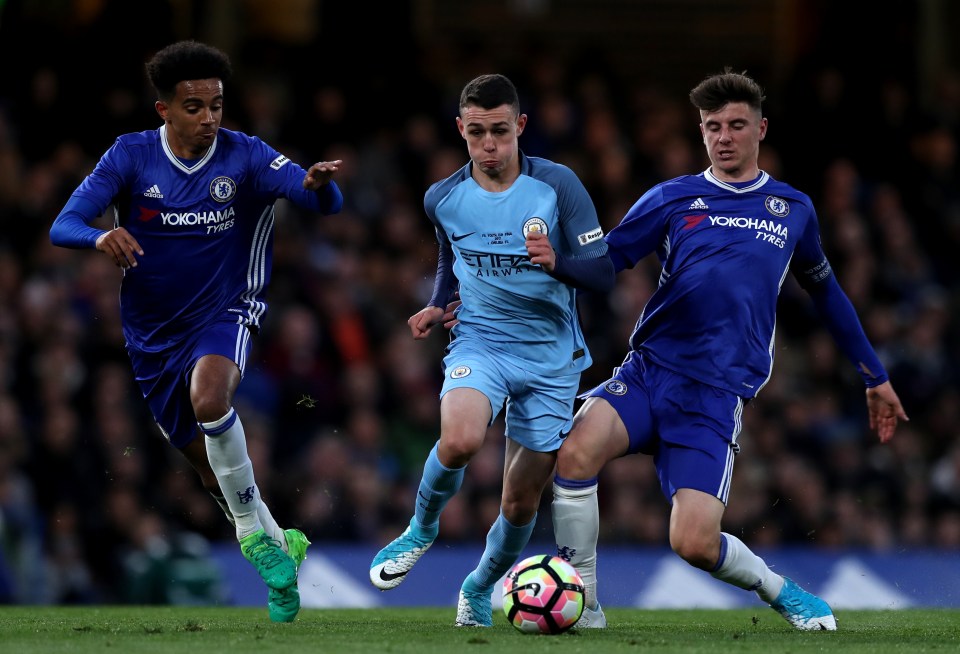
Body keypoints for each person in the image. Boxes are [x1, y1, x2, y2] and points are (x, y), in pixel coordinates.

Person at [551, 68, 909, 631]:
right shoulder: (672, 198)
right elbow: (607, 264)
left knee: (692, 541)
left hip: (714, 395)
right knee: (574, 452)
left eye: (736, 125)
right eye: (712, 126)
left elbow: (828, 294)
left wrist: (874, 375)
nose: (724, 136)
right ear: (702, 133)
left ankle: (782, 590)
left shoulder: (792, 211)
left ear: (760, 129)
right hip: (649, 372)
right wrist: (555, 264)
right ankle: (584, 606)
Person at [49, 40, 344, 622]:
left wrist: (318, 186)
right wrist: (100, 237)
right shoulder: (130, 156)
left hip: (227, 310)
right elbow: (64, 224)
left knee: (211, 399)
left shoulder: (247, 155)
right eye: (194, 106)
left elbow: (324, 203)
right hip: (151, 335)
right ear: (164, 109)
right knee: (210, 470)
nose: (209, 117)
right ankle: (278, 545)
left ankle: (255, 543)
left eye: (216, 104)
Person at [367, 73, 615, 626]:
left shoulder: (559, 187)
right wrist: (438, 302)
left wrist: (559, 263)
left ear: (520, 126)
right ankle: (419, 530)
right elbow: (447, 256)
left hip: (551, 357)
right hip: (481, 339)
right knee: (458, 440)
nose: (489, 145)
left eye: (500, 132)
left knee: (518, 503)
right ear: (460, 128)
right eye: (476, 132)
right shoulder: (443, 197)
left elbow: (603, 275)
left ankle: (479, 587)